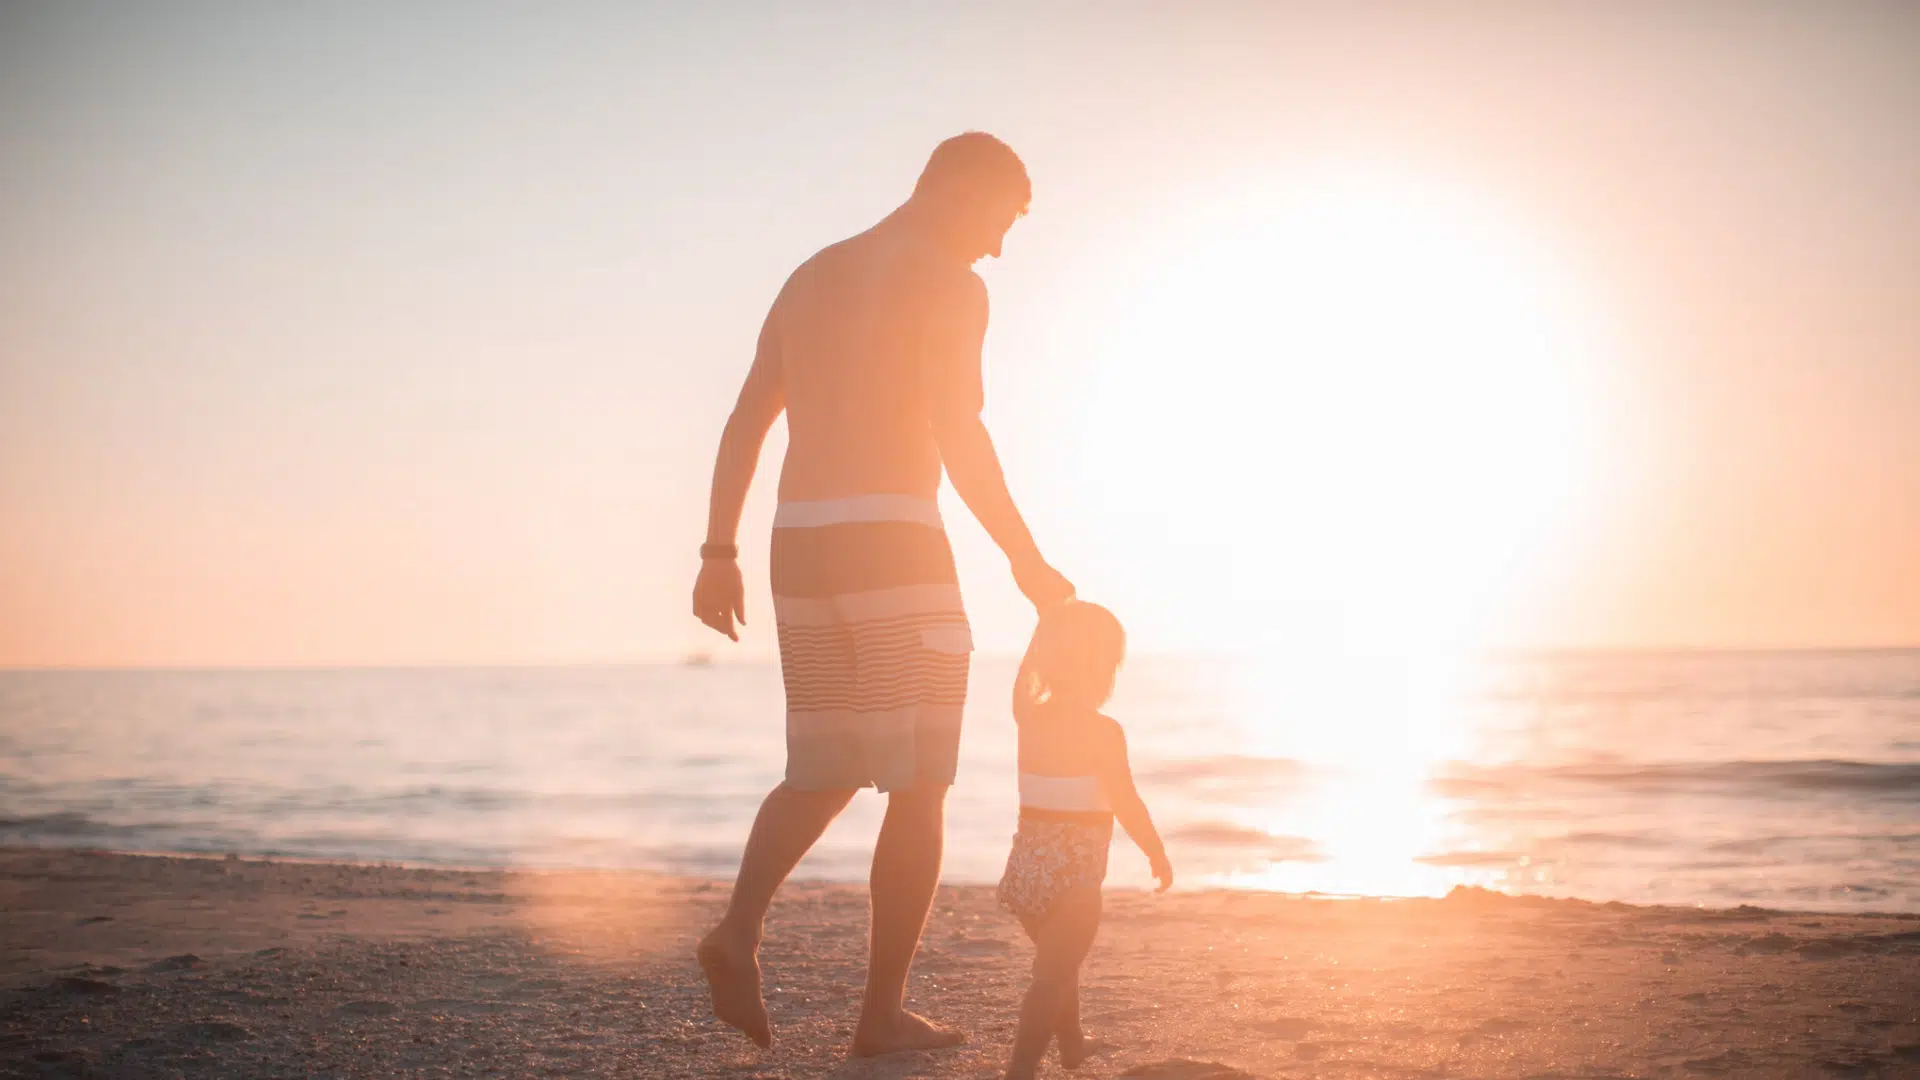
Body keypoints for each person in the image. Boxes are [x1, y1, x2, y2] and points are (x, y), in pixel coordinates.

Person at [690, 132, 1075, 1056]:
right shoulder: (950, 283)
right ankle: (878, 1018)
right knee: (920, 782)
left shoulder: (812, 275)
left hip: (800, 545)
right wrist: (1026, 560)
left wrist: (716, 550)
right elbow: (960, 433)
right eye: (1000, 220)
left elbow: (749, 417)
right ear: (959, 191)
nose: (997, 248)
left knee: (823, 769)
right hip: (896, 541)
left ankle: (737, 930)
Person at [997, 600, 1171, 1080]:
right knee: (1051, 975)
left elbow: (1025, 672)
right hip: (1074, 876)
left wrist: (1043, 622)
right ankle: (1020, 1071)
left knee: (1059, 961)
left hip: (1026, 873)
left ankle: (1072, 1045)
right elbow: (1125, 801)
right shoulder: (1103, 732)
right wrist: (1155, 851)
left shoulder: (1028, 717)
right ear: (1105, 672)